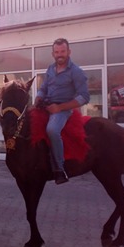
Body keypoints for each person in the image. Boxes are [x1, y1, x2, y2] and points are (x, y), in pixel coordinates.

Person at [35, 38, 90, 185]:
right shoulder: (50, 69)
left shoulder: (76, 72)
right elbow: (43, 88)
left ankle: (59, 169)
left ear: (69, 52)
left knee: (52, 130)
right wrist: (39, 97)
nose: (60, 55)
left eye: (63, 51)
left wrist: (59, 108)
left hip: (63, 110)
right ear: (53, 53)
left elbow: (84, 97)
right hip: (46, 106)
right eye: (57, 52)